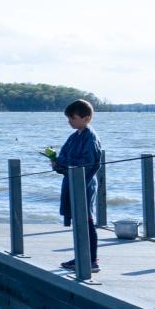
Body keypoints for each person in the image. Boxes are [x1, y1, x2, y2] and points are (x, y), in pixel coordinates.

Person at [52, 98, 102, 272]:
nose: (70, 121)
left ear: (86, 118)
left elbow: (92, 162)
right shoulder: (73, 137)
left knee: (87, 221)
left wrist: (69, 165)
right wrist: (57, 164)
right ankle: (80, 256)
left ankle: (93, 260)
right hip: (71, 183)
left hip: (85, 185)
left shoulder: (91, 137)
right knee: (78, 221)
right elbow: (64, 156)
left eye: (73, 118)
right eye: (69, 118)